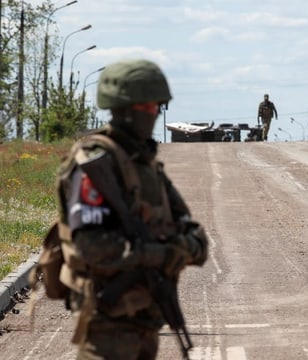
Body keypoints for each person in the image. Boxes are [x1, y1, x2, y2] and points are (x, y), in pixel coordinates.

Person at [55, 59, 208, 359]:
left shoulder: (145, 164)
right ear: (127, 110)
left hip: (145, 323)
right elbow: (90, 246)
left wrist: (184, 248)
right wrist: (158, 254)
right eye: (150, 107)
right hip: (106, 327)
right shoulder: (95, 165)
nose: (156, 114)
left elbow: (193, 233)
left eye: (157, 107)